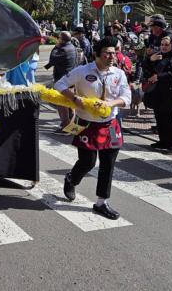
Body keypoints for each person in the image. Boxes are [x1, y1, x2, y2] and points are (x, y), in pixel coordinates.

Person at [56, 36, 131, 220]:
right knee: (87, 162)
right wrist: (74, 99)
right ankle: (71, 179)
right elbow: (59, 84)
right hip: (87, 123)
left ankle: (101, 202)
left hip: (111, 124)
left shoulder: (118, 74)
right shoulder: (82, 71)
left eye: (114, 53)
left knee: (108, 164)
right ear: (97, 54)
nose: (112, 57)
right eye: (107, 53)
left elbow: (126, 97)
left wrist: (111, 103)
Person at [141, 35, 172, 153]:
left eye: (166, 45)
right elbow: (145, 69)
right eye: (162, 45)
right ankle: (163, 141)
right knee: (159, 117)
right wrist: (150, 60)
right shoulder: (157, 56)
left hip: (171, 93)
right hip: (157, 92)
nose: (163, 47)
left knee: (171, 118)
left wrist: (158, 77)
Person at [45, 31, 77, 129]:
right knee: (70, 102)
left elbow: (52, 59)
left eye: (59, 38)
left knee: (61, 103)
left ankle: (65, 125)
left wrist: (56, 47)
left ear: (62, 39)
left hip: (62, 80)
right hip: (71, 78)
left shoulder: (62, 49)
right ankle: (72, 123)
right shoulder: (72, 47)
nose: (57, 39)